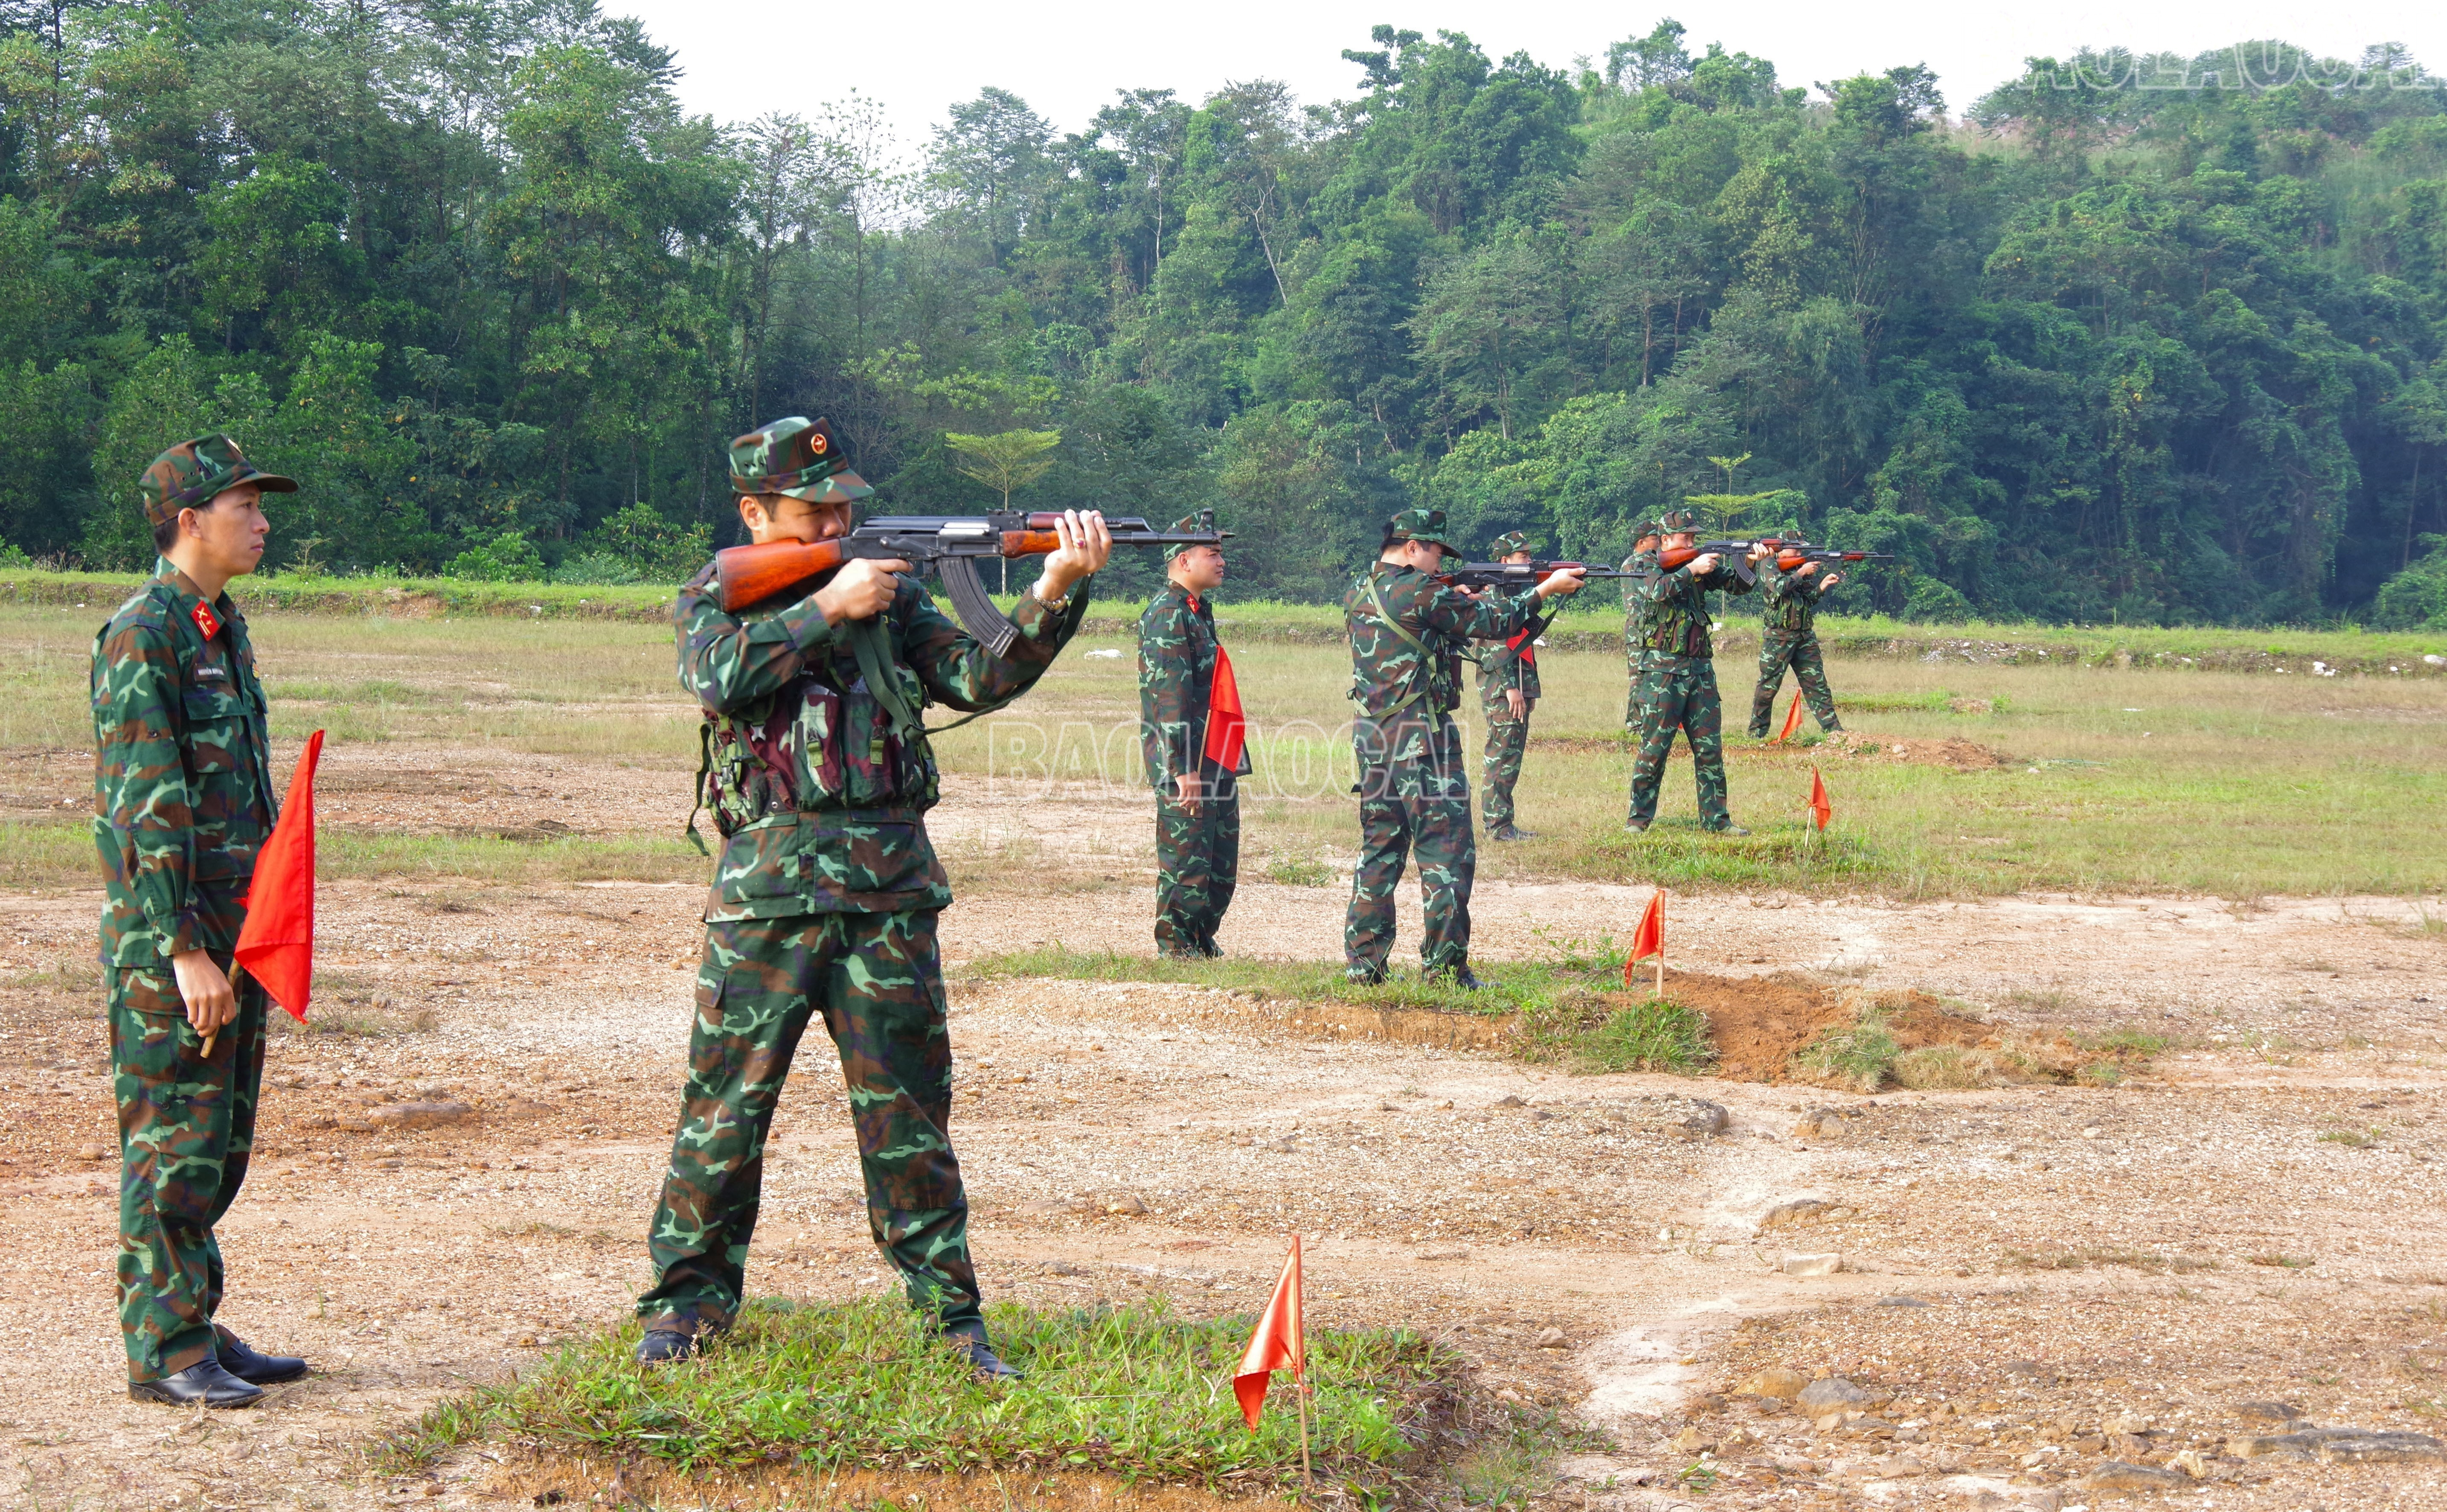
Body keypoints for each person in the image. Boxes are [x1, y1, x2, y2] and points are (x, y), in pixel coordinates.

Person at [634, 416, 1108, 1378]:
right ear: (753, 512)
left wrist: (1055, 590)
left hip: (888, 893)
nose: (837, 519)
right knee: (725, 1111)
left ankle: (952, 1321)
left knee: (909, 1118)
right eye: (814, 510)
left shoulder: (899, 594)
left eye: (846, 505)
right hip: (766, 895)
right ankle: (684, 1309)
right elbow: (718, 679)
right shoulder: (716, 594)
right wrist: (826, 606)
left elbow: (978, 674)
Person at [93, 434, 311, 1407]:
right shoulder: (145, 632)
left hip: (236, 927)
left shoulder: (219, 623)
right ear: (190, 520)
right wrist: (184, 949)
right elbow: (143, 806)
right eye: (245, 506)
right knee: (175, 1139)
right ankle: (166, 1347)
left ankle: (192, 1316)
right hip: (174, 942)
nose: (262, 522)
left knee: (218, 1141)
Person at [1343, 508, 1584, 987]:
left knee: (1380, 853)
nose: (1438, 563)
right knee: (1447, 854)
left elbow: (1419, 632)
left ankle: (1364, 965)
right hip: (1422, 744)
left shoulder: (1359, 592)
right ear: (1412, 548)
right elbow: (1496, 621)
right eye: (1434, 552)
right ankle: (1446, 970)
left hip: (1374, 743)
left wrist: (1450, 599)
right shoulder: (1420, 590)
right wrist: (1546, 590)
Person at [1138, 515, 1249, 959]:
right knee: (1187, 859)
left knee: (1220, 860)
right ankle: (1177, 946)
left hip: (1214, 754)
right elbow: (1171, 698)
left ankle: (1201, 939)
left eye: (1221, 551)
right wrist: (1183, 769)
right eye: (1213, 553)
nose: (1222, 560)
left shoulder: (1197, 610)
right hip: (1187, 759)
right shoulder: (1168, 613)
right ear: (1184, 559)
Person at [1623, 508, 1767, 835]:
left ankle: (1717, 820)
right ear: (1665, 540)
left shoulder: (1701, 564)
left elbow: (1738, 586)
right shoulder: (1645, 563)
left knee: (1710, 751)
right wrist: (1691, 569)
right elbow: (1656, 592)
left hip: (1700, 670)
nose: (1692, 542)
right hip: (1662, 673)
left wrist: (1751, 561)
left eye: (1694, 537)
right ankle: (1638, 821)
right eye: (1686, 537)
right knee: (1654, 749)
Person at [1470, 531, 1552, 842]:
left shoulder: (1512, 595)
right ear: (1504, 561)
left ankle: (1503, 824)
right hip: (1502, 689)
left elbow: (1523, 643)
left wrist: (1528, 687)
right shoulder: (1493, 596)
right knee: (1501, 756)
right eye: (1523, 556)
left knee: (1510, 756)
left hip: (1514, 686)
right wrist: (1512, 688)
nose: (1529, 561)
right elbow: (1494, 647)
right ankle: (1498, 826)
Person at [1747, 557, 1845, 739]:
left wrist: (1822, 585)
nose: (1799, 553)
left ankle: (1834, 731)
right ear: (1782, 550)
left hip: (1804, 637)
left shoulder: (1801, 568)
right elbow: (1780, 587)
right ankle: (1756, 732)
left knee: (1817, 685)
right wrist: (1801, 572)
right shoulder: (1769, 564)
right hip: (1779, 638)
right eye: (1795, 549)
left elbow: (1806, 601)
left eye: (1801, 549)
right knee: (1769, 686)